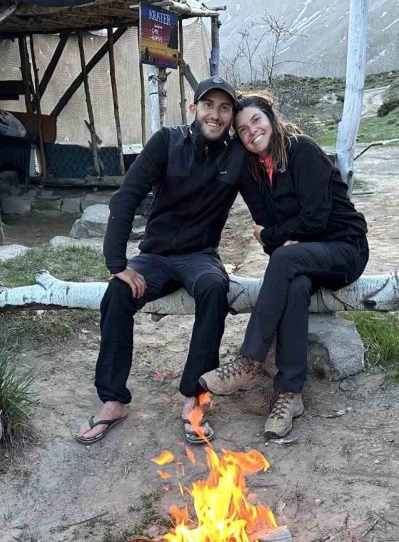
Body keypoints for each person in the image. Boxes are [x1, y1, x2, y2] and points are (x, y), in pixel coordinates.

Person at [77, 77, 243, 446]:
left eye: (224, 108)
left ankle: (194, 397)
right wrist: (118, 263)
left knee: (216, 287)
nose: (215, 115)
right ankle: (114, 399)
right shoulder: (167, 142)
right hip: (155, 256)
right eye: (208, 105)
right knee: (118, 293)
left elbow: (267, 199)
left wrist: (278, 232)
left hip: (200, 257)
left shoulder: (237, 156)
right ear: (193, 109)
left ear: (231, 116)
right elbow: (126, 197)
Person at [199, 92, 369, 439]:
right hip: (301, 262)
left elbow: (315, 219)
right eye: (243, 130)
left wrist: (279, 237)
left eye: (257, 121)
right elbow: (267, 236)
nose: (252, 132)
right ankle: (289, 394)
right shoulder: (251, 171)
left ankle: (249, 360)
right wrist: (281, 238)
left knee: (285, 257)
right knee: (295, 284)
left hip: (344, 249)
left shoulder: (301, 150)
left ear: (272, 119)